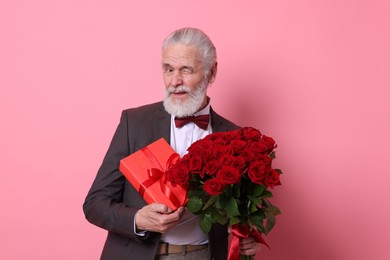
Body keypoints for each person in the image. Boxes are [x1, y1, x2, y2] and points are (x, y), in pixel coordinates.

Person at [83, 27, 261, 260]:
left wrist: (246, 237)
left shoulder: (235, 137)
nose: (175, 81)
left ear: (212, 72)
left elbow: (241, 214)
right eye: (168, 69)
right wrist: (138, 220)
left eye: (186, 70)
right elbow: (95, 203)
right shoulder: (134, 123)